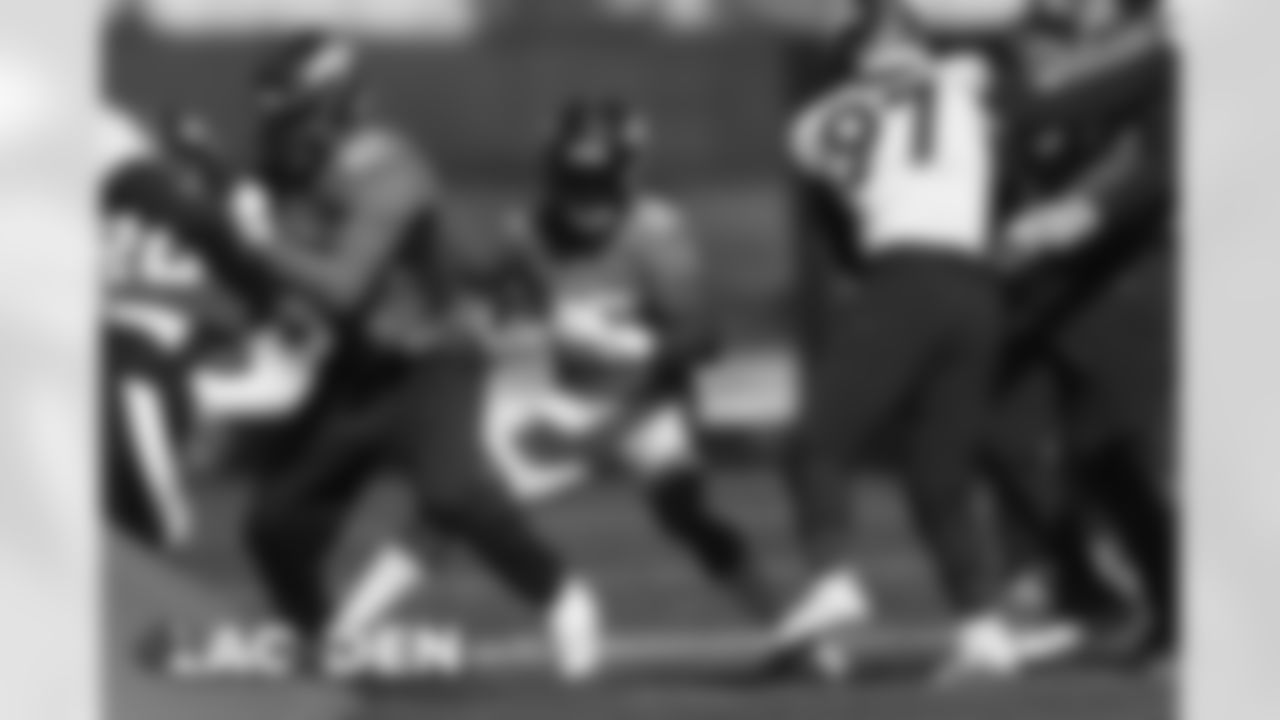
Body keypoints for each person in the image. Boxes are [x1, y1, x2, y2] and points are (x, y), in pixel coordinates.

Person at [236, 33, 604, 681]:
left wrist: (255, 240)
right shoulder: (288, 170)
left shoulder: (387, 166)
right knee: (274, 523)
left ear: (331, 106)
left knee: (453, 492)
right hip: (356, 371)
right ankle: (324, 644)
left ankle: (564, 596)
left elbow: (343, 287)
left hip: (433, 360)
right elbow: (296, 284)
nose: (278, 129)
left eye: (291, 112)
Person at [773, 0, 1023, 682]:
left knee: (815, 443)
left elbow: (842, 240)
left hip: (902, 274)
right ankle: (984, 631)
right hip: (976, 287)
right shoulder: (969, 78)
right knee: (941, 474)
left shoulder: (811, 125)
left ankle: (833, 579)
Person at [484, 96, 778, 619]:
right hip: (573, 396)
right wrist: (520, 327)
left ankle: (783, 621)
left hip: (648, 398)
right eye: (575, 183)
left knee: (680, 510)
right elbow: (499, 309)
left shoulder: (655, 231)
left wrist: (635, 346)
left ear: (626, 176)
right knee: (470, 503)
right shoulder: (524, 232)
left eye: (599, 184)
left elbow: (705, 335)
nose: (587, 202)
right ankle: (353, 626)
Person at [987, 0, 1177, 667]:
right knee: (1072, 452)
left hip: (1142, 274)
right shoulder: (1041, 65)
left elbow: (1159, 162)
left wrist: (1086, 211)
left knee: (1142, 457)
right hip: (1062, 287)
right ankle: (1102, 594)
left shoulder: (1158, 48)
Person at [99, 104, 278, 549]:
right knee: (164, 527)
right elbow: (260, 289)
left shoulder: (127, 186)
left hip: (127, 356)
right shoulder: (213, 214)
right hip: (136, 363)